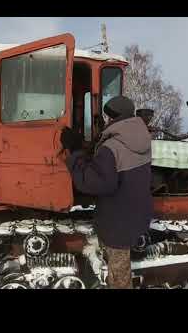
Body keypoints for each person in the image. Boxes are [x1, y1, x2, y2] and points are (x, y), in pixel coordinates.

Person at [60, 96, 153, 289]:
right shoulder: (140, 139)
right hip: (136, 213)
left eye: (109, 116)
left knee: (119, 279)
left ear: (116, 118)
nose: (107, 120)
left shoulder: (112, 147)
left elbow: (95, 183)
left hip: (118, 221)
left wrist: (75, 152)